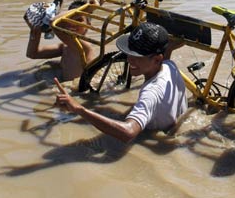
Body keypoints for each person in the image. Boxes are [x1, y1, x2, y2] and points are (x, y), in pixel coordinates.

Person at [54, 22, 188, 143]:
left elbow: (128, 132)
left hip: (153, 137)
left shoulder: (151, 93)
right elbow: (165, 55)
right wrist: (170, 47)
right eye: (130, 53)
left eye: (137, 57)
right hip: (175, 123)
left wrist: (80, 109)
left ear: (157, 59)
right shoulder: (169, 65)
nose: (130, 60)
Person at [25, 0, 104, 81]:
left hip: (78, 93)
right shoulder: (65, 47)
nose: (72, 24)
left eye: (79, 20)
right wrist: (35, 31)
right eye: (70, 19)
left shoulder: (85, 48)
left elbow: (55, 23)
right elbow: (32, 54)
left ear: (88, 25)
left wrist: (88, 8)